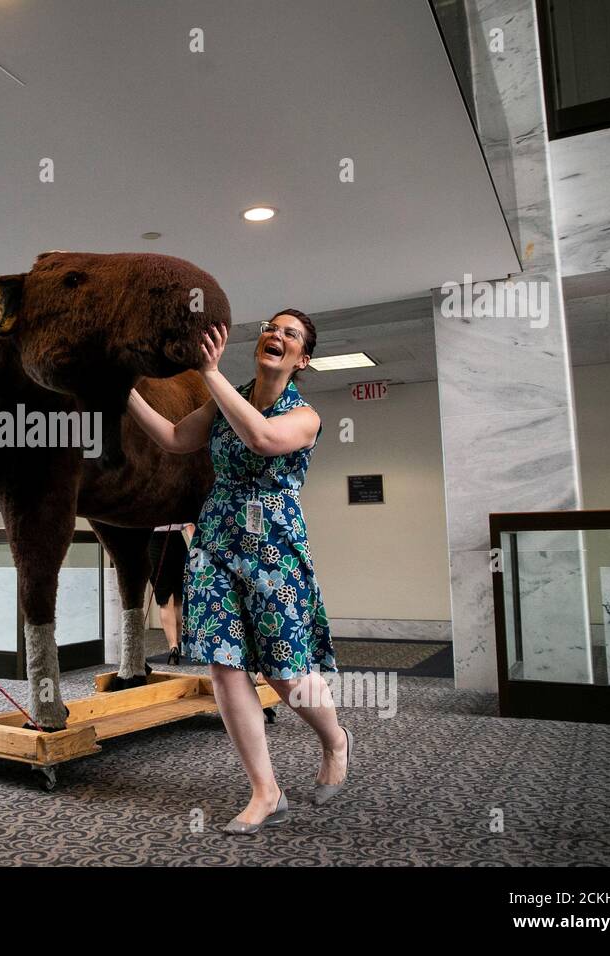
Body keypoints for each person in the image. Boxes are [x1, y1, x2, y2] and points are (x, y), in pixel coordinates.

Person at [127, 309, 349, 834]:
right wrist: (125, 392)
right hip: (217, 539)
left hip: (273, 542)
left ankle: (335, 739)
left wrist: (208, 372)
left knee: (285, 671)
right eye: (271, 328)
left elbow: (263, 440)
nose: (276, 335)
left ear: (303, 358)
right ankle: (265, 791)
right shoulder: (228, 397)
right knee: (224, 664)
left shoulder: (305, 415)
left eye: (289, 334)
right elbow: (176, 438)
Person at [148, 523, 194, 664]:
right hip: (175, 541)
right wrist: (196, 550)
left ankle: (173, 646)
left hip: (154, 541)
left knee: (165, 600)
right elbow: (189, 526)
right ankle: (179, 644)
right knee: (178, 598)